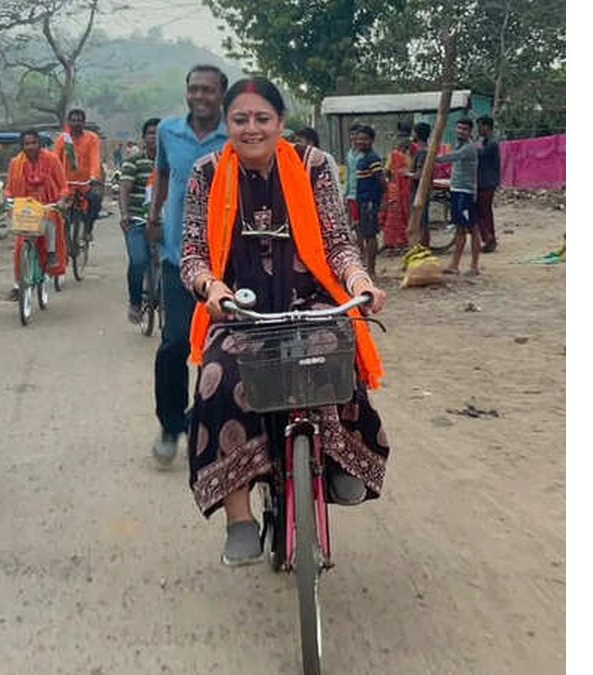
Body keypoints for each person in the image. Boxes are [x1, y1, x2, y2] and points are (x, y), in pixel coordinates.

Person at [179, 77, 391, 565]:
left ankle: (337, 460)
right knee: (217, 377)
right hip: (240, 307)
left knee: (333, 357)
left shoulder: (314, 166)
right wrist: (212, 288)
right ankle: (239, 518)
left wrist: (359, 280)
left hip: (307, 299)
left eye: (262, 118)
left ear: (280, 123)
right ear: (227, 124)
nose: (251, 128)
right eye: (240, 119)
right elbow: (193, 253)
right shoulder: (205, 173)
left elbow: (337, 241)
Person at [146, 64, 230, 465]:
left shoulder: (235, 135)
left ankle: (204, 420)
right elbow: (162, 173)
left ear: (222, 94)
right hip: (178, 257)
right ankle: (170, 423)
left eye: (207, 90)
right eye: (194, 89)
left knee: (223, 349)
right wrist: (154, 216)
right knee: (175, 343)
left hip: (227, 262)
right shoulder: (168, 131)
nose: (199, 96)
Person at [4, 129, 69, 301]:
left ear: (39, 143)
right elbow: (9, 189)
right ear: (22, 146)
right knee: (20, 246)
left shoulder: (52, 160)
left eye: (34, 143)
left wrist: (62, 199)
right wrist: (8, 199)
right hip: (25, 208)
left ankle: (51, 253)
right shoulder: (15, 163)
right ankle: (18, 284)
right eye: (27, 143)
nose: (31, 146)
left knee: (50, 219)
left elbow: (63, 186)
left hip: (47, 206)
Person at [119, 118, 160, 324]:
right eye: (151, 133)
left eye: (159, 133)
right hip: (137, 220)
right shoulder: (134, 161)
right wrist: (125, 214)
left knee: (171, 263)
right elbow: (124, 189)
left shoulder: (172, 161)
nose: (155, 137)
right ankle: (135, 302)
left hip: (164, 222)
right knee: (138, 261)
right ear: (144, 138)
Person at [436, 118, 481, 275]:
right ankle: (455, 265)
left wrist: (432, 156)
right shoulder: (460, 145)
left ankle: (473, 266)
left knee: (471, 228)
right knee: (462, 229)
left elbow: (451, 157)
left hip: (465, 193)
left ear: (470, 132)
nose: (460, 131)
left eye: (464, 129)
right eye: (459, 128)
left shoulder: (468, 148)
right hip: (458, 190)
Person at [52, 108, 104, 241]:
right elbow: (55, 160)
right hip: (65, 185)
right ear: (68, 122)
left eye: (79, 120)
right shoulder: (63, 139)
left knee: (96, 200)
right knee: (54, 208)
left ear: (84, 123)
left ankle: (88, 229)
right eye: (73, 120)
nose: (76, 123)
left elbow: (95, 158)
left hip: (86, 183)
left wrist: (94, 176)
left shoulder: (92, 138)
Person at [354, 125, 385, 277]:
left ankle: (371, 270)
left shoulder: (372, 158)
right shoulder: (363, 158)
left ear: (372, 141)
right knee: (365, 234)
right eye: (359, 139)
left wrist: (382, 200)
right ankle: (369, 267)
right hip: (363, 201)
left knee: (370, 235)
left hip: (369, 201)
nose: (361, 142)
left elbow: (381, 180)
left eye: (365, 139)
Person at [380, 123, 413, 249]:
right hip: (400, 189)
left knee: (401, 216)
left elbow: (387, 171)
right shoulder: (399, 153)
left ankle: (399, 241)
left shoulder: (401, 153)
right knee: (397, 216)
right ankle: (397, 242)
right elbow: (387, 171)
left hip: (402, 188)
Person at [475, 115, 501, 252]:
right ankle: (488, 237)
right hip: (483, 181)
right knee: (484, 211)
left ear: (486, 127)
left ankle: (489, 238)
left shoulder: (491, 143)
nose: (478, 129)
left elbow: (481, 154)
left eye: (480, 126)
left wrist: (475, 145)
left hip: (487, 182)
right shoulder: (485, 141)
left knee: (483, 211)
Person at [406, 122, 433, 246]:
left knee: (420, 222)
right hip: (422, 191)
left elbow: (419, 174)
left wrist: (406, 173)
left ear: (417, 134)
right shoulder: (425, 150)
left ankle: (423, 247)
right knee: (422, 221)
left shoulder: (422, 152)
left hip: (419, 191)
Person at [295, 127, 341, 196]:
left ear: (310, 142)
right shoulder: (297, 160)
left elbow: (334, 180)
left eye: (299, 141)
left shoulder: (326, 158)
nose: (296, 145)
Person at [343, 124, 364, 233]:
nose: (354, 137)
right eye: (352, 134)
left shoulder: (364, 154)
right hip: (351, 194)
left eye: (356, 134)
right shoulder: (349, 153)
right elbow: (348, 174)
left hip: (361, 194)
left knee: (359, 225)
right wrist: (345, 193)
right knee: (352, 224)